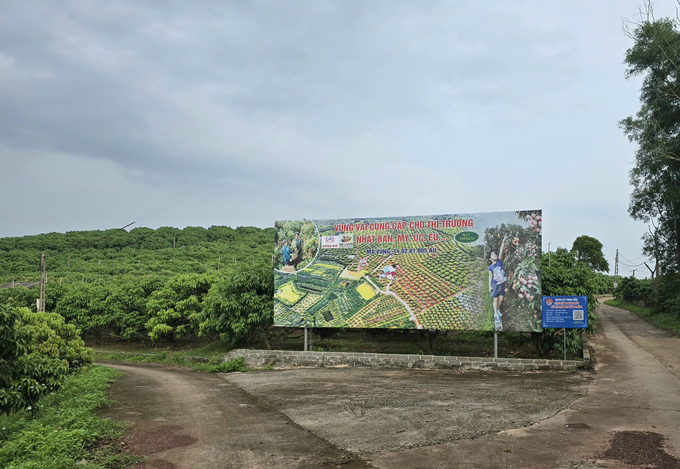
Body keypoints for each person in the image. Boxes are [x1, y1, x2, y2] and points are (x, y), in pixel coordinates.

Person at [488, 235, 508, 331]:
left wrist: (503, 241)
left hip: (502, 284)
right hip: (495, 285)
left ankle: (497, 310)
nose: (495, 255)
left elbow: (501, 251)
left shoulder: (499, 261)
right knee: (495, 300)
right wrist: (489, 286)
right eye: (492, 255)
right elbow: (490, 276)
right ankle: (496, 314)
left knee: (501, 300)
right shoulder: (490, 267)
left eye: (495, 254)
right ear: (490, 258)